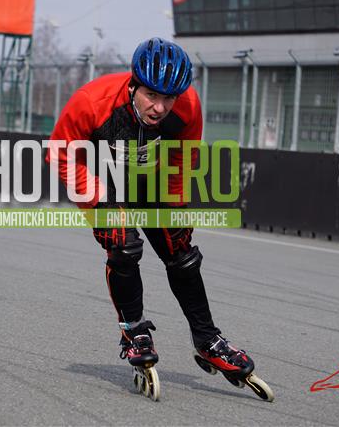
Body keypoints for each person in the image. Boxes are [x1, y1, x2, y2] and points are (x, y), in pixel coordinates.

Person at [47, 37, 256, 381]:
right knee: (124, 246)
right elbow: (60, 154)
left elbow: (183, 160)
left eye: (168, 98)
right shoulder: (92, 101)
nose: (160, 107)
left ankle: (207, 339)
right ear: (133, 85)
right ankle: (134, 332)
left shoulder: (188, 105)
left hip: (154, 180)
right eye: (151, 95)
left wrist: (177, 208)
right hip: (105, 182)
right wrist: (96, 199)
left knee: (182, 253)